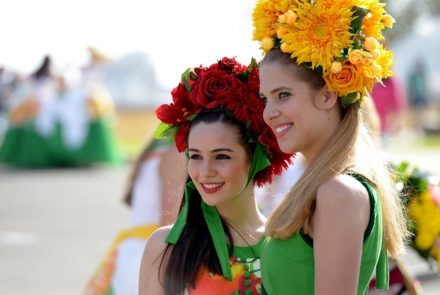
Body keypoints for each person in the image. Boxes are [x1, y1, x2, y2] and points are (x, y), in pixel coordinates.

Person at [252, 1, 409, 294]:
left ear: (328, 95)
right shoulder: (329, 186)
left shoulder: (339, 192)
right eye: (265, 99)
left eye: (283, 95)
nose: (268, 113)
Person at [139, 57, 292, 295]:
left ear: (255, 159)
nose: (205, 172)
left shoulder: (287, 246)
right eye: (196, 156)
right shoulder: (166, 247)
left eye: (221, 156)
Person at [84, 137, 186, 295]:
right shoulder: (176, 153)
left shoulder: (160, 147)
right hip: (150, 256)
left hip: (136, 252)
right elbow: (169, 224)